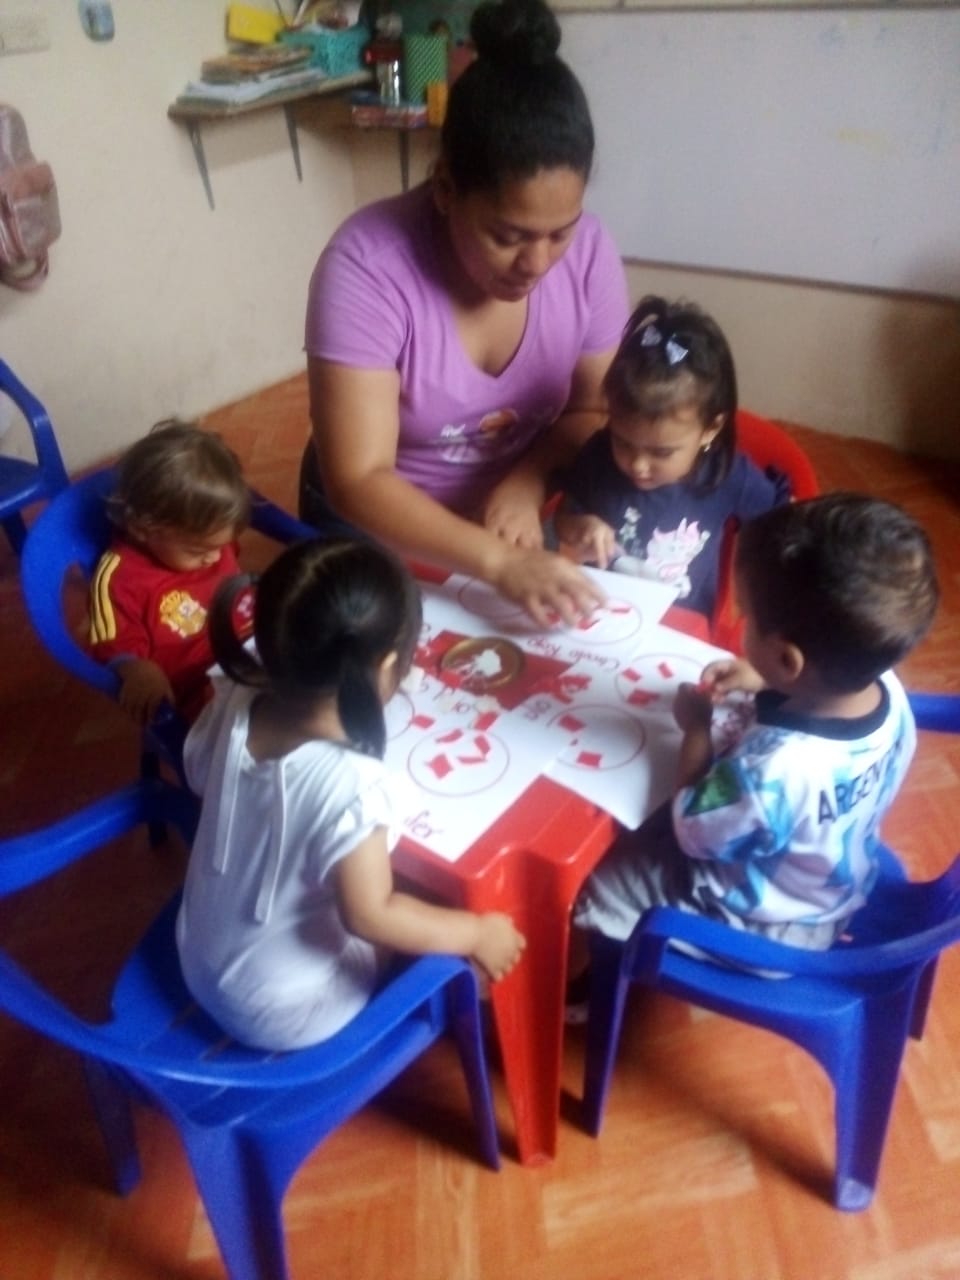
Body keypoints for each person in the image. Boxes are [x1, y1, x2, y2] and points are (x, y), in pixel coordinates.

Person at [301, 0, 629, 627]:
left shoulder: (590, 253)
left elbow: (592, 410)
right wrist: (497, 563)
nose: (537, 263)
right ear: (446, 188)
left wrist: (527, 481)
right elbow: (359, 477)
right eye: (508, 236)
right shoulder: (367, 265)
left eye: (559, 232)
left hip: (514, 522)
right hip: (382, 528)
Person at [569, 493, 939, 988]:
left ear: (789, 660)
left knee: (598, 883)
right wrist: (765, 676)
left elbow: (693, 830)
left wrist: (696, 727)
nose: (741, 624)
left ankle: (585, 989)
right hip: (832, 884)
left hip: (764, 928)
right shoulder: (886, 690)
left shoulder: (772, 772)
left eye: (746, 618)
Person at [175, 537, 526, 1051]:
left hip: (197, 957)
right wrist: (476, 933)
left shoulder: (238, 690)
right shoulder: (355, 786)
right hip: (283, 1013)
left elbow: (197, 771)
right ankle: (444, 996)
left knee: (369, 882)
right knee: (424, 906)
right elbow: (369, 916)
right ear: (385, 668)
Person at [553, 295, 788, 621]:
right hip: (601, 612)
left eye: (661, 452)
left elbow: (780, 524)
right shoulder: (598, 455)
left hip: (681, 623)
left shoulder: (731, 475)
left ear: (710, 429)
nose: (638, 465)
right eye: (623, 442)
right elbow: (564, 518)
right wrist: (580, 527)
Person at [88, 420, 252, 725]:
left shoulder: (208, 536)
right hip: (203, 689)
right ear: (141, 528)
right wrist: (137, 668)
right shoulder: (119, 578)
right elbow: (113, 642)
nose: (216, 557)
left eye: (223, 545)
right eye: (198, 550)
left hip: (254, 649)